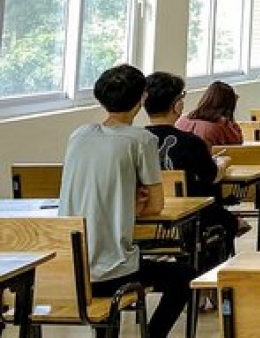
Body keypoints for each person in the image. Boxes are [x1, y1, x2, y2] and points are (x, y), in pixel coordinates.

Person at [58, 65, 192, 338]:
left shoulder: (78, 135)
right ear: (142, 97)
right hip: (111, 272)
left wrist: (126, 202)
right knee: (183, 275)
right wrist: (136, 203)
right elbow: (156, 206)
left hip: (68, 268)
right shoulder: (141, 139)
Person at [143, 71, 240, 263]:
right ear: (177, 105)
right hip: (193, 216)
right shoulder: (191, 142)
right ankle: (207, 274)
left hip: (148, 214)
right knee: (228, 221)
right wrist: (221, 163)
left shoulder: (136, 141)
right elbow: (212, 176)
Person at [175, 80, 243, 147]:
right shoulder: (222, 124)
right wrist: (231, 118)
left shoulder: (182, 119)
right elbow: (237, 143)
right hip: (208, 157)